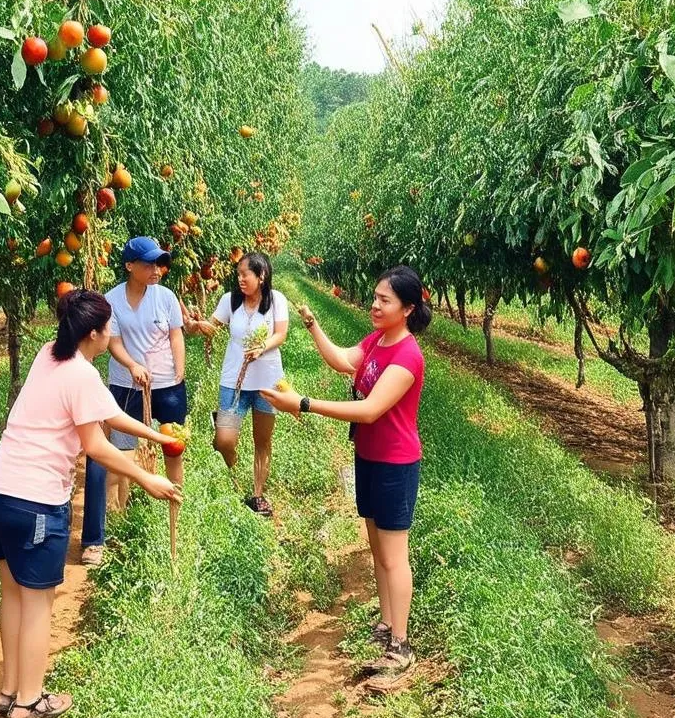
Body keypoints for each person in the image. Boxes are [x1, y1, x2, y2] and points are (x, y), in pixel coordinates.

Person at [0, 289, 181, 718]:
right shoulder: (82, 375)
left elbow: (103, 413)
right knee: (39, 602)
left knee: (12, 594)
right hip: (33, 500)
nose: (112, 335)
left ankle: (10, 691)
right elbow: (96, 445)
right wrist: (147, 479)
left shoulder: (48, 354)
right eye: (109, 329)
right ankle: (30, 703)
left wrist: (155, 436)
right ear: (94, 334)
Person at [261, 266, 429, 680]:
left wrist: (303, 404)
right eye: (374, 297)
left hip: (395, 462)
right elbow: (342, 362)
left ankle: (401, 647)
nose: (374, 305)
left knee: (394, 556)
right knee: (377, 550)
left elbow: (370, 410)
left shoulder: (407, 355)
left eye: (384, 300)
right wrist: (314, 326)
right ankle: (387, 624)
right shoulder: (377, 340)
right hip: (369, 457)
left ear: (407, 309)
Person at [81, 237, 187, 566]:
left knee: (172, 447)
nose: (156, 269)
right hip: (126, 385)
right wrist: (133, 365)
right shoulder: (112, 301)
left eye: (158, 264)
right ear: (130, 266)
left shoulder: (166, 297)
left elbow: (175, 335)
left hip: (166, 385)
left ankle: (175, 510)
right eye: (148, 264)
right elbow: (112, 342)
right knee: (121, 451)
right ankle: (119, 521)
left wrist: (178, 376)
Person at [198, 252, 288, 516]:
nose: (239, 279)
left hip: (267, 382)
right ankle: (235, 475)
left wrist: (263, 346)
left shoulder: (276, 300)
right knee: (224, 440)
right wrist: (197, 325)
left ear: (261, 276)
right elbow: (213, 327)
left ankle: (258, 495)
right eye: (237, 274)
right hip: (233, 381)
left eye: (244, 274)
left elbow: (280, 334)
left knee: (263, 440)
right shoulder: (230, 300)